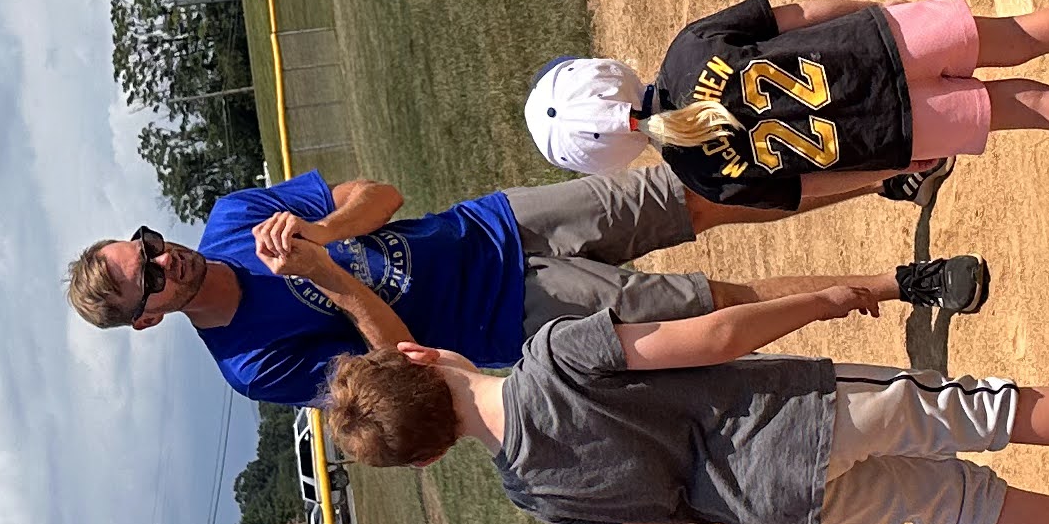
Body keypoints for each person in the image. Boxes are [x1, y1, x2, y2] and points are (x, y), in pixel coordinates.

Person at [316, 277, 1049, 524]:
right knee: (986, 413)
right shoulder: (552, 358)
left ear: (431, 456)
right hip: (800, 416)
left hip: (785, 505)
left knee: (966, 503)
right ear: (419, 357)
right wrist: (819, 298)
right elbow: (710, 337)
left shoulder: (532, 493)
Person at [61, 167, 983, 410]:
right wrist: (330, 282)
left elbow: (381, 196)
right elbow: (403, 370)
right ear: (147, 320)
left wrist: (328, 233)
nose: (165, 259)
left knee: (687, 200)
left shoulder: (233, 218)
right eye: (149, 279)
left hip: (496, 224)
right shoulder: (251, 363)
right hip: (517, 315)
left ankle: (886, 176)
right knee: (713, 303)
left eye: (147, 244)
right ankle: (906, 283)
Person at [522, 0, 1049, 209]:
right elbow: (802, 15)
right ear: (605, 72)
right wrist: (874, 12)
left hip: (891, 133)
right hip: (879, 43)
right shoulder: (688, 51)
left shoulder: (704, 178)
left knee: (1030, 107)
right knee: (1019, 34)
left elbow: (808, 189)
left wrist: (892, 168)